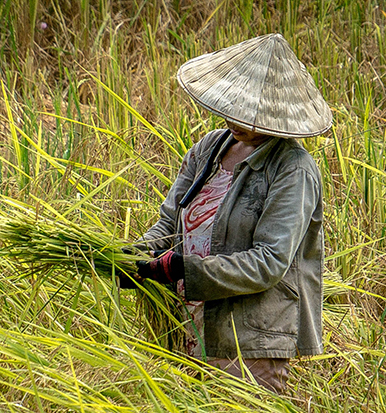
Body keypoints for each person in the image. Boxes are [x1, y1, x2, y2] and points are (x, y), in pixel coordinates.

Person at [134, 33, 332, 393]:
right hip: (187, 324)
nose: (235, 120)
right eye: (234, 108)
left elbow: (269, 261)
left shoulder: (292, 169)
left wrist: (184, 268)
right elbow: (169, 222)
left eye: (249, 115)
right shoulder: (209, 148)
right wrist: (135, 256)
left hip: (247, 339)